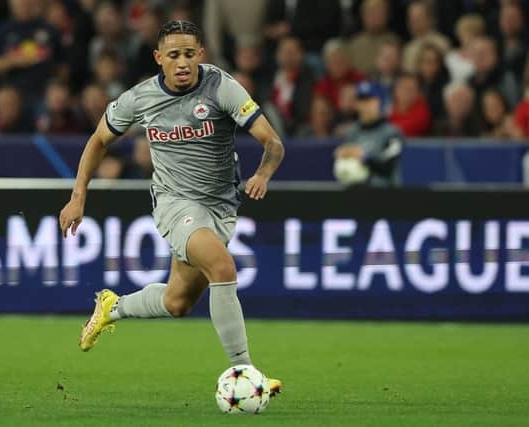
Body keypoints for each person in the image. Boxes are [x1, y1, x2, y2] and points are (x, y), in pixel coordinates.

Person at [58, 20, 284, 395]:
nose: (182, 63)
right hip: (175, 204)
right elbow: (99, 140)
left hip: (221, 207)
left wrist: (263, 174)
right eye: (174, 55)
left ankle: (112, 307)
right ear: (158, 58)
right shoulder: (140, 98)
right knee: (223, 267)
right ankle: (245, 373)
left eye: (189, 54)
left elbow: (272, 143)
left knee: (178, 301)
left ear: (201, 55)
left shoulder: (221, 86)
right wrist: (78, 196)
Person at [335, 80, 404, 187]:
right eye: (361, 100)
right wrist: (342, 157)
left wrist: (363, 157)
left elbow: (388, 168)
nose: (364, 105)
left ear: (379, 102)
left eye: (369, 100)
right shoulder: (351, 132)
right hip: (355, 194)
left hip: (385, 195)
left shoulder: (393, 133)